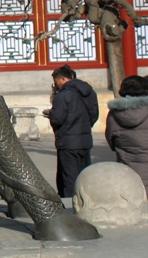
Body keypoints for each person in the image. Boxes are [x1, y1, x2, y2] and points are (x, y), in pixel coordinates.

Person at [45, 64, 99, 197]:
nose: (56, 85)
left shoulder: (63, 95)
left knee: (69, 178)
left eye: (56, 82)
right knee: (84, 176)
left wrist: (51, 114)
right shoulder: (89, 92)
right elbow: (94, 114)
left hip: (68, 141)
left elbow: (58, 118)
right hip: (85, 140)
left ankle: (70, 207)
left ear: (62, 79)